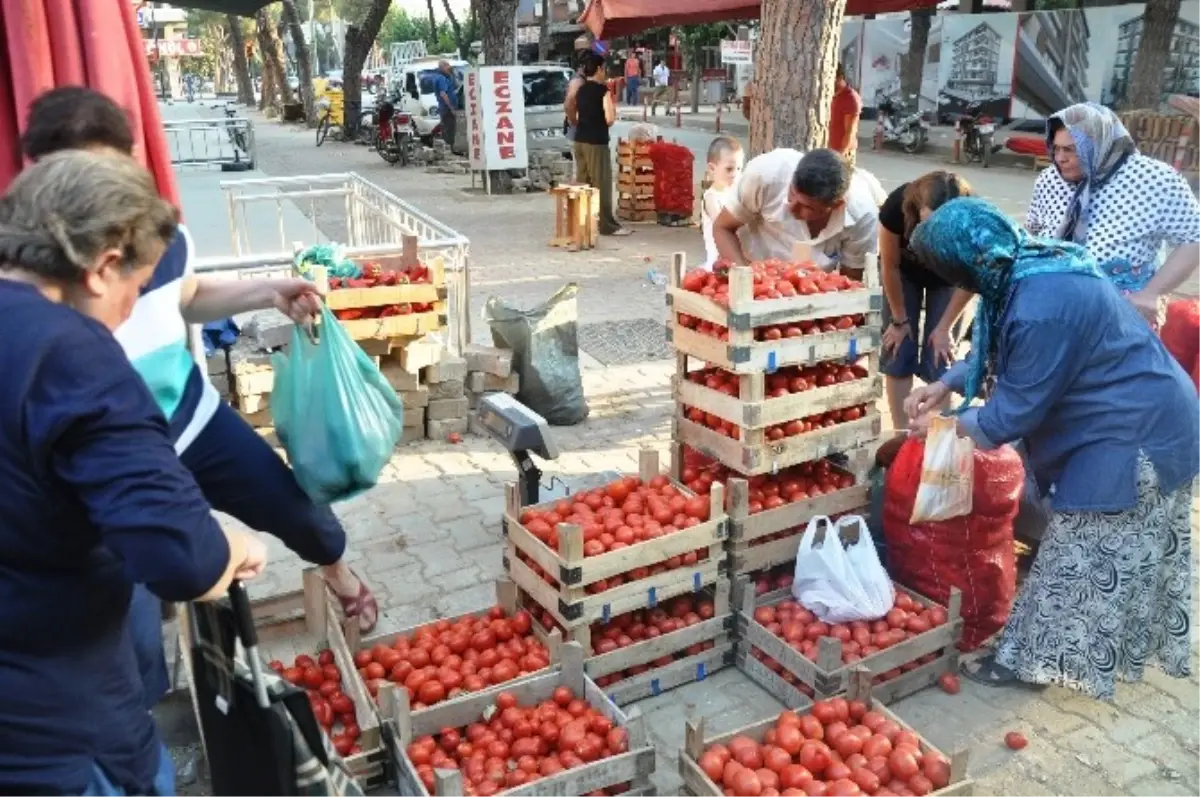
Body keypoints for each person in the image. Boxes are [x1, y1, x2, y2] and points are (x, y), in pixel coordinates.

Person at [22, 87, 378, 711]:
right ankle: (154, 713)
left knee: (292, 506)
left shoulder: (160, 234)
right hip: (101, 465)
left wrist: (267, 290)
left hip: (190, 419)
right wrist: (223, 553)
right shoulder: (38, 309)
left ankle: (339, 574)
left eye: (113, 170)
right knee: (128, 615)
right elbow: (186, 557)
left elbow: (186, 294)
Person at [0, 150, 270, 795]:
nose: (131, 312)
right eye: (136, 290)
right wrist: (233, 543)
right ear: (103, 267)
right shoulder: (71, 356)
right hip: (53, 736)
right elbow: (181, 557)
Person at [904, 197, 1198, 701]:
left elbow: (1012, 415)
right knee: (1112, 553)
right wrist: (950, 381)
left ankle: (1028, 662)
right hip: (1143, 409)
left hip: (1132, 432)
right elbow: (998, 346)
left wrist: (944, 424)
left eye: (953, 273)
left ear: (968, 262)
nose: (959, 286)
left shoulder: (1041, 306)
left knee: (1079, 557)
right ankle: (1098, 645)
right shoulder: (1028, 263)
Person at [1027, 102, 1200, 323]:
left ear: (1099, 143)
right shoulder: (1050, 180)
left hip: (1123, 317)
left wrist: (1152, 293)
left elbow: (1194, 237)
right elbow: (1032, 234)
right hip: (1058, 309)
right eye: (1056, 148)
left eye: (1071, 149)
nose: (1060, 158)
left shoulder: (1154, 179)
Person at [878, 172, 975, 429]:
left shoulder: (973, 218)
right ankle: (901, 433)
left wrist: (944, 327)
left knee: (942, 354)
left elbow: (971, 278)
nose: (937, 230)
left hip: (950, 278)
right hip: (905, 274)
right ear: (918, 207)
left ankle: (938, 433)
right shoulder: (897, 206)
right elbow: (889, 266)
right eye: (931, 220)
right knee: (898, 348)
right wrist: (899, 320)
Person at [711, 147, 886, 276]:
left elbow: (851, 280)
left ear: (836, 205)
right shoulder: (765, 176)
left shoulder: (862, 217)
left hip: (810, 295)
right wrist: (745, 276)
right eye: (791, 194)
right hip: (752, 272)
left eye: (807, 207)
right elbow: (722, 228)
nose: (791, 206)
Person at [567, 53, 630, 237]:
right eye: (604, 69)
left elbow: (575, 114)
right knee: (601, 183)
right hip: (596, 142)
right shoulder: (603, 91)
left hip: (579, 140)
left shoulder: (581, 90)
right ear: (600, 69)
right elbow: (609, 119)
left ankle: (582, 223)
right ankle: (606, 225)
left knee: (583, 182)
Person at [700, 136, 744, 270]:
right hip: (719, 263)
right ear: (712, 168)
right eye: (729, 169)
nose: (735, 174)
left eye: (739, 168)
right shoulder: (712, 197)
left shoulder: (736, 193)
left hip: (738, 259)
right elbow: (723, 223)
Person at [828, 64, 863, 167]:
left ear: (840, 77)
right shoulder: (829, 94)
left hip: (841, 153)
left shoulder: (850, 98)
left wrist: (840, 156)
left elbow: (850, 132)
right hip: (826, 151)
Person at [434, 60, 457, 148]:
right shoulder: (441, 78)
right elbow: (443, 94)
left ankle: (450, 147)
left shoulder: (447, 77)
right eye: (447, 66)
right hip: (446, 108)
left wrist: (452, 73)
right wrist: (451, 107)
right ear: (442, 67)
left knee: (451, 129)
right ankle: (448, 147)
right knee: (449, 129)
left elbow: (455, 86)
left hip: (447, 108)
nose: (449, 68)